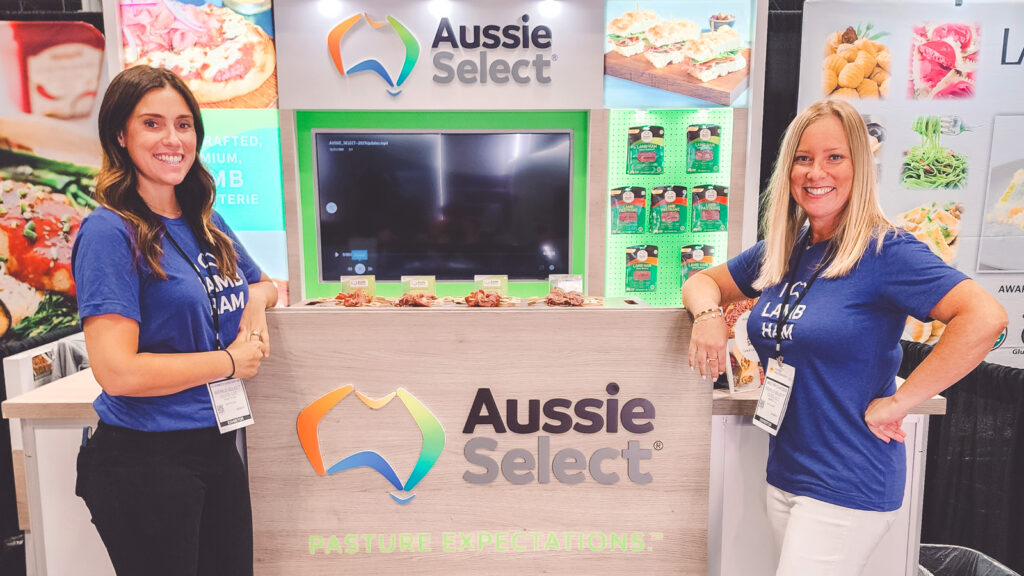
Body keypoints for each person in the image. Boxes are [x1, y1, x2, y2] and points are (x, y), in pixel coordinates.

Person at [681, 99, 1006, 576]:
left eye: (835, 157)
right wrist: (709, 315)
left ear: (860, 166)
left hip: (849, 475)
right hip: (788, 471)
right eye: (803, 158)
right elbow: (700, 281)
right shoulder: (788, 248)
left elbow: (985, 317)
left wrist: (900, 401)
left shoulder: (885, 249)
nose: (817, 172)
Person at [71, 65, 278, 575]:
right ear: (120, 134)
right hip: (146, 460)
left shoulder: (201, 218)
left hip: (216, 444)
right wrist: (228, 362)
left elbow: (266, 284)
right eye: (153, 124)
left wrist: (253, 305)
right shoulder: (109, 232)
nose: (173, 139)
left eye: (184, 124)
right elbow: (117, 371)